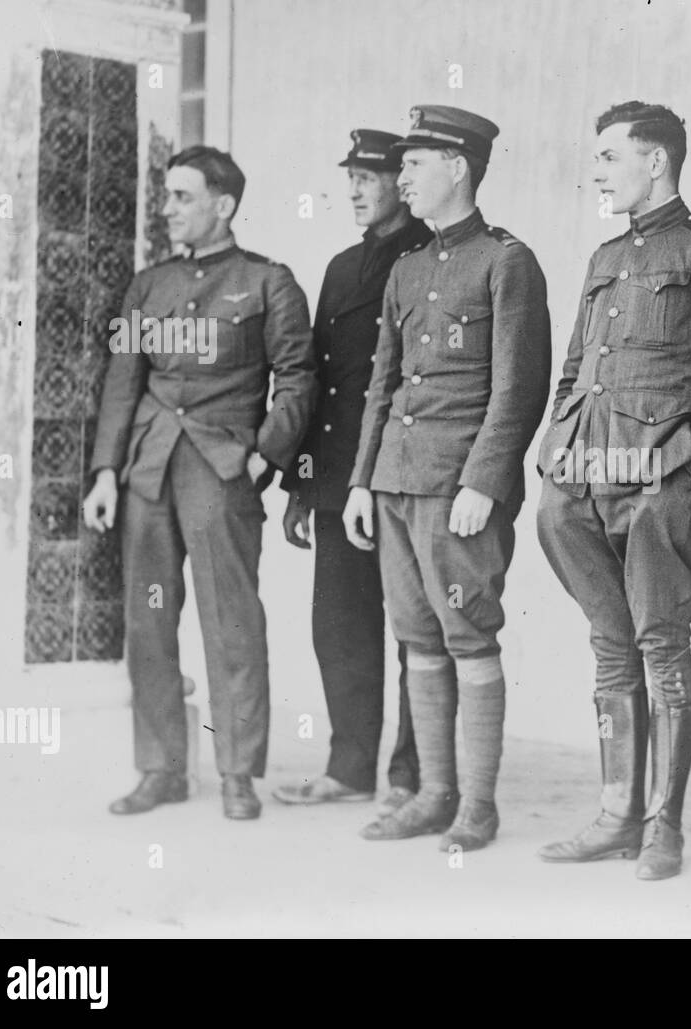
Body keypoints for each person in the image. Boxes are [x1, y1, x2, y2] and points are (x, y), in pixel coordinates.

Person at [534, 102, 691, 880]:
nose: (595, 170)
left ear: (655, 161)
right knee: (608, 643)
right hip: (580, 479)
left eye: (607, 156)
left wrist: (686, 470)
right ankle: (615, 812)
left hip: (654, 478)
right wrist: (554, 448)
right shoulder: (603, 257)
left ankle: (663, 825)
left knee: (661, 644)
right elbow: (574, 368)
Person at [83, 146, 316, 820]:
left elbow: (298, 378)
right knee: (147, 619)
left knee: (231, 620)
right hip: (149, 470)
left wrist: (264, 453)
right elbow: (124, 381)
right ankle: (161, 767)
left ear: (225, 205)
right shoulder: (147, 287)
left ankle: (239, 771)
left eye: (183, 197)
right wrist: (105, 471)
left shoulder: (268, 282)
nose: (169, 209)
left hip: (220, 469)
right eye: (167, 196)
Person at [345, 105, 551, 852]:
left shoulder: (506, 261)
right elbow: (381, 383)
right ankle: (434, 792)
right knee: (417, 638)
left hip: (457, 486)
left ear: (458, 167)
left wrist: (484, 482)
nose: (400, 177)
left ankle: (478, 805)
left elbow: (518, 388)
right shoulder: (407, 268)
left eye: (415, 163)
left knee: (468, 636)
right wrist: (362, 480)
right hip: (398, 481)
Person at [273, 130, 431, 811]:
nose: (357, 190)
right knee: (339, 622)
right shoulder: (341, 267)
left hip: (402, 474)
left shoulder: (429, 255)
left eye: (371, 176)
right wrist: (302, 484)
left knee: (417, 628)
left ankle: (412, 774)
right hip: (339, 478)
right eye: (352, 178)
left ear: (404, 179)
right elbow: (322, 379)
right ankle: (350, 766)